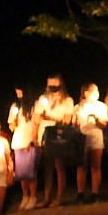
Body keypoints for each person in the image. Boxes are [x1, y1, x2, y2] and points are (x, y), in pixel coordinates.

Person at [34, 75, 76, 206]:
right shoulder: (42, 99)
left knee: (59, 166)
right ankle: (46, 198)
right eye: (50, 84)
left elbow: (67, 120)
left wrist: (49, 115)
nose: (52, 87)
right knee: (47, 167)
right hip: (44, 134)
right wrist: (35, 137)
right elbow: (36, 119)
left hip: (58, 135)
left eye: (55, 84)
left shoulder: (67, 100)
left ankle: (59, 197)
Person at [75, 83, 108, 204]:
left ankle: (95, 193)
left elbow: (104, 124)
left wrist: (96, 119)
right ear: (86, 93)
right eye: (94, 90)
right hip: (82, 138)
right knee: (81, 166)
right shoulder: (79, 106)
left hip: (96, 138)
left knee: (95, 165)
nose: (96, 93)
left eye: (97, 90)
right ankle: (80, 193)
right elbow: (75, 123)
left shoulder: (101, 106)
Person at [8, 87, 40, 210]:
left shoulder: (35, 105)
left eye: (20, 91)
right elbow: (11, 126)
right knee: (22, 173)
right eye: (16, 92)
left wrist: (32, 140)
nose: (18, 94)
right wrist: (14, 121)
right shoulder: (15, 106)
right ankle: (25, 196)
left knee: (30, 172)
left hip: (30, 142)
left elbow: (36, 124)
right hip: (18, 141)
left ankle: (33, 197)